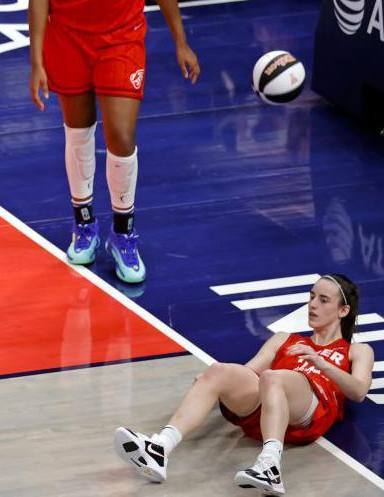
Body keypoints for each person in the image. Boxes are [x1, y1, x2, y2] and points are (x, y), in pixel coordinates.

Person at [114, 274, 374, 495]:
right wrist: (215, 384)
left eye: (323, 300)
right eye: (311, 296)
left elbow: (359, 391)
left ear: (343, 311)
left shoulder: (357, 350)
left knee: (273, 377)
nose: (312, 304)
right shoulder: (285, 338)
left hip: (311, 413)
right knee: (219, 371)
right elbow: (250, 371)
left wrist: (322, 364)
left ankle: (270, 465)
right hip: (268, 408)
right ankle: (160, 447)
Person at [28, 0, 200, 283]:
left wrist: (180, 41)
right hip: (67, 35)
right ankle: (84, 225)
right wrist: (36, 62)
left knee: (120, 135)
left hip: (122, 36)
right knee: (78, 130)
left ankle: (123, 234)